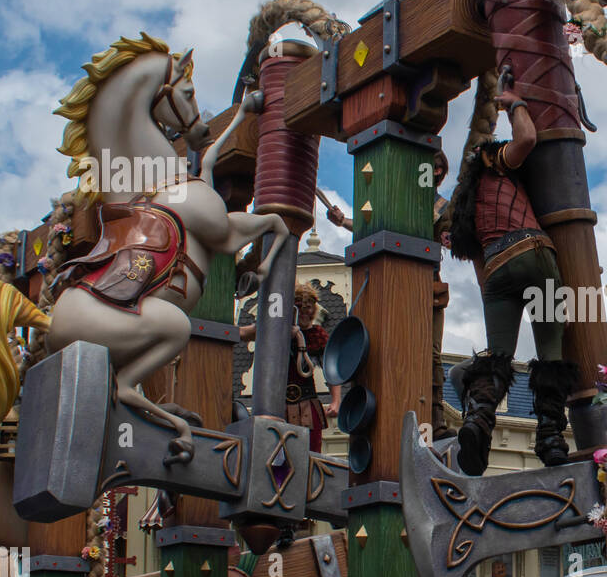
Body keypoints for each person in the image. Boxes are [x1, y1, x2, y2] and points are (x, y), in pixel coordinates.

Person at [446, 78, 579, 475]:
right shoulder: (492, 163)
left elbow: (478, 269)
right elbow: (526, 140)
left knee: (496, 357)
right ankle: (552, 438)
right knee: (551, 352)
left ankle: (478, 422)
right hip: (532, 254)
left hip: (495, 271)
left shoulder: (462, 212)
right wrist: (515, 104)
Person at [327, 151, 455, 441]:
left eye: (436, 167)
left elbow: (451, 235)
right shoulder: (399, 201)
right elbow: (372, 224)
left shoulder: (442, 208)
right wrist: (342, 221)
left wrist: (451, 238)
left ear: (439, 173)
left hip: (427, 284)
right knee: (393, 348)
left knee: (432, 355)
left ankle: (435, 419)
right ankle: (394, 415)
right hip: (397, 283)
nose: (433, 171)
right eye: (427, 165)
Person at [238, 282, 341, 452]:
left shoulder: (316, 335)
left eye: (309, 309)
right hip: (275, 403)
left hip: (306, 403)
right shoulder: (275, 329)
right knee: (273, 452)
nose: (306, 314)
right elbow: (242, 333)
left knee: (310, 453)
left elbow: (332, 370)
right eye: (301, 309)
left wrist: (336, 401)